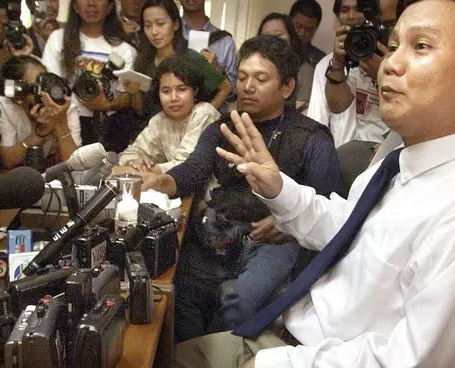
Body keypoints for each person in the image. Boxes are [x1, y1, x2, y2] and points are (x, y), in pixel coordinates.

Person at [172, 1, 455, 368]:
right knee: (163, 361)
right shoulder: (398, 154)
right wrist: (279, 188)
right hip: (294, 335)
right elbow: (347, 228)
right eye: (394, 44)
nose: (390, 65)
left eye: (420, 47)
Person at [141, 35, 342, 342]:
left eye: (261, 79)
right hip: (216, 234)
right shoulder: (222, 127)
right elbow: (194, 171)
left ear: (287, 87)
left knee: (242, 304)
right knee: (176, 299)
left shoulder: (312, 138)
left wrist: (288, 221)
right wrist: (161, 182)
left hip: (272, 241)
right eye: (243, 77)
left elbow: (328, 203)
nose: (247, 86)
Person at [43, 0, 139, 152]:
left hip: (110, 128)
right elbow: (50, 84)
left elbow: (128, 95)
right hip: (65, 122)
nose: (91, 3)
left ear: (110, 7)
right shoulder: (57, 39)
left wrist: (105, 105)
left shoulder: (125, 49)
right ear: (74, 5)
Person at [308, 0, 397, 148]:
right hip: (352, 151)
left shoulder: (396, 58)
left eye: (358, 9)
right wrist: (337, 62)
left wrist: (382, 72)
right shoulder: (336, 62)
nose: (352, 16)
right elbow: (338, 107)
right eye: (345, 10)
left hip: (388, 150)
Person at [117, 55, 220, 174]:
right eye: (166, 91)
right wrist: (134, 162)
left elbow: (186, 165)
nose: (173, 98)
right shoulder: (160, 120)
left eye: (182, 89)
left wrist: (143, 171)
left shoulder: (204, 113)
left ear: (195, 91)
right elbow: (131, 153)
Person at [132, 0, 232, 119]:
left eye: (160, 24)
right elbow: (140, 110)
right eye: (148, 26)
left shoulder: (191, 57)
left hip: (188, 132)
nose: (154, 32)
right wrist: (134, 92)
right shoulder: (142, 60)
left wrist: (201, 118)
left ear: (175, 24)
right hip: (151, 129)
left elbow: (226, 88)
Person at [0, 55, 81, 169]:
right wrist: (39, 133)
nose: (47, 93)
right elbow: (8, 161)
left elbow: (74, 166)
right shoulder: (6, 106)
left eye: (46, 81)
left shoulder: (64, 105)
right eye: (37, 88)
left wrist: (61, 124)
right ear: (17, 96)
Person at [181, 0, 238, 95]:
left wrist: (217, 70)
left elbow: (233, 95)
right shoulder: (166, 34)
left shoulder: (225, 41)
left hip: (212, 107)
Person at [257, 13, 313, 108]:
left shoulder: (304, 70)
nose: (272, 41)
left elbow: (302, 113)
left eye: (278, 35)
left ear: (291, 37)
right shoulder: (253, 64)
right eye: (266, 36)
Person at [289, 0, 326, 67]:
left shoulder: (321, 60)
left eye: (309, 30)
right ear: (289, 21)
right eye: (298, 26)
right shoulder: (276, 51)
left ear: (316, 29)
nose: (302, 33)